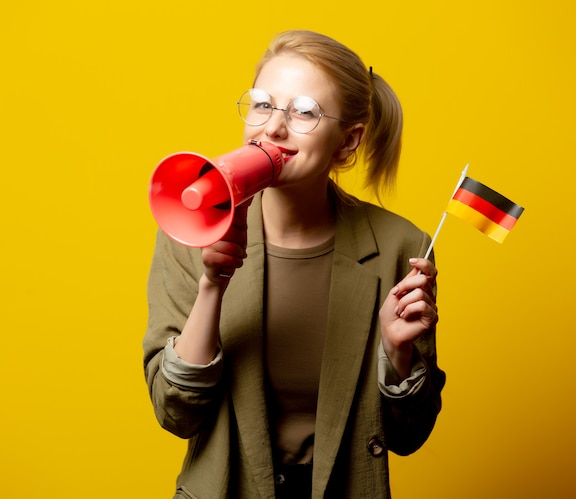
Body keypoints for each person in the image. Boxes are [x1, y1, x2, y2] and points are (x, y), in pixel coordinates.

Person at [143, 29, 446, 499]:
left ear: (348, 143)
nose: (273, 128)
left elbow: (409, 436)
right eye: (263, 104)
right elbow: (175, 414)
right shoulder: (190, 233)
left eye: (304, 112)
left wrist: (397, 353)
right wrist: (211, 288)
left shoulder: (401, 245)